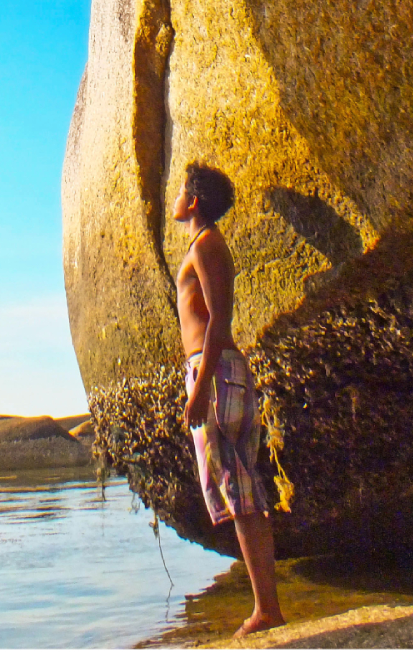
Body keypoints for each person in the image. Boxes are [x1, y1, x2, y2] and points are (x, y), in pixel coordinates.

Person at [173, 162, 285, 638]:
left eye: (180, 192)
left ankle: (267, 610)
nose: (175, 200)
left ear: (194, 201)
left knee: (240, 495)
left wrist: (199, 391)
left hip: (215, 371)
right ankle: (267, 606)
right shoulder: (204, 245)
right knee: (240, 491)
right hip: (212, 369)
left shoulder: (206, 245)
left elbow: (220, 317)